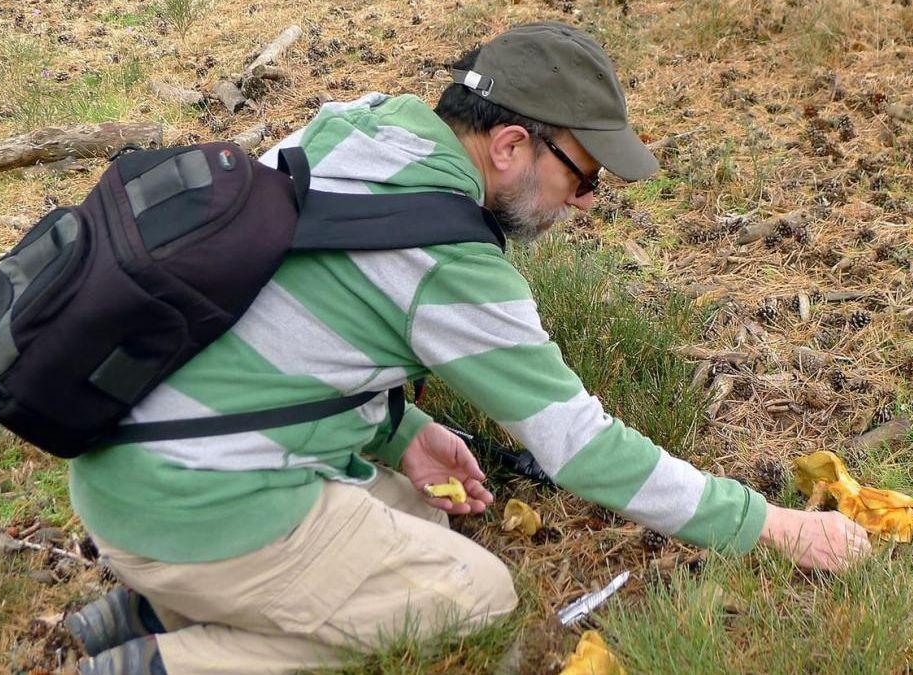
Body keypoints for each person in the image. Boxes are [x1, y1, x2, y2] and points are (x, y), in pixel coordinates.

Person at [67, 21, 871, 675]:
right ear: (513, 146)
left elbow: (281, 322)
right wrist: (769, 525)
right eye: (583, 178)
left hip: (130, 457)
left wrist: (401, 431)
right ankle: (166, 658)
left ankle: (149, 601)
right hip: (184, 500)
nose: (584, 204)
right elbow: (585, 449)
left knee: (421, 511)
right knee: (474, 599)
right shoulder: (451, 262)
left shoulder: (361, 125)